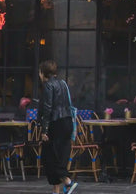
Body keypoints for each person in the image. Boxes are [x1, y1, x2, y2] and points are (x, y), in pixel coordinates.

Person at [38, 60, 78, 194]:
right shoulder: (63, 83)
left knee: (49, 157)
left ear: (43, 73)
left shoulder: (48, 86)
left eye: (40, 72)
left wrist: (44, 130)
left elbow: (48, 109)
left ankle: (67, 181)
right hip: (67, 122)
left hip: (56, 123)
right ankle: (57, 190)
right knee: (60, 156)